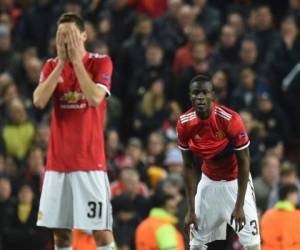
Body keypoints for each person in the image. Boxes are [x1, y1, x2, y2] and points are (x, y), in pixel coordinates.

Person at [33, 13, 116, 250]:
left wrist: (77, 62)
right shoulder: (50, 65)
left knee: (101, 232)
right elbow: (38, 101)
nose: (66, 41)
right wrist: (61, 63)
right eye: (61, 36)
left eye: (70, 35)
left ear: (84, 36)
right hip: (57, 164)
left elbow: (94, 98)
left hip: (90, 163)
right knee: (61, 234)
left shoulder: (100, 62)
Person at [176, 74, 261, 250]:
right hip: (209, 182)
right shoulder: (184, 123)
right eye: (195, 93)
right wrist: (191, 210)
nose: (200, 97)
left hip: (235, 181)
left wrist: (239, 206)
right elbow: (188, 166)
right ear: (190, 96)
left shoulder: (229, 119)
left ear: (212, 95)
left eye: (204, 92)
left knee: (253, 245)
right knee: (196, 245)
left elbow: (244, 161)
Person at [260, 183, 300, 250]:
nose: (297, 197)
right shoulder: (297, 216)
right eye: (296, 194)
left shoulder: (267, 215)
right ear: (290, 195)